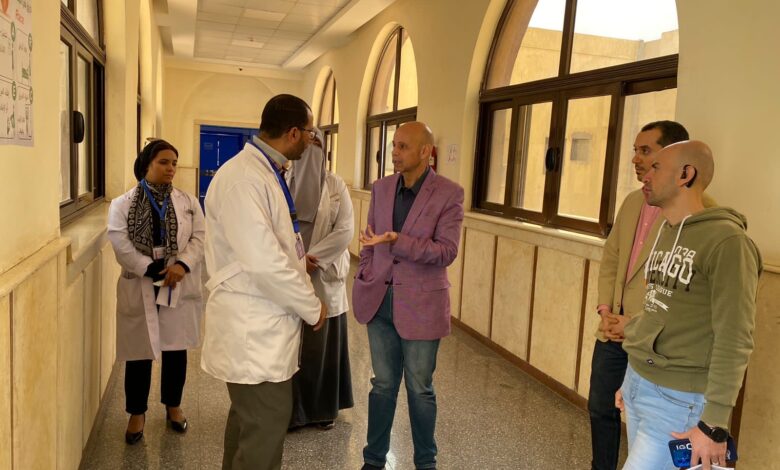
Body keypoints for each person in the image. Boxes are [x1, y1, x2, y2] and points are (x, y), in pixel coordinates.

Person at [200, 94, 327, 470]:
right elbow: (264, 263)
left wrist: (299, 268)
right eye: (310, 133)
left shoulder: (266, 171)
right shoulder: (245, 179)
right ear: (293, 133)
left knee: (249, 425)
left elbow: (272, 247)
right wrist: (311, 306)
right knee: (265, 428)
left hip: (261, 324)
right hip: (253, 329)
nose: (312, 140)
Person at [618, 140, 761, 470]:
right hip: (640, 384)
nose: (645, 174)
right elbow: (658, 308)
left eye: (656, 167)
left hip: (679, 402)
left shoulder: (729, 243)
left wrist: (714, 423)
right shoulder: (667, 231)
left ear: (686, 174)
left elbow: (735, 338)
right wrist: (633, 377)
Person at [352, 121, 464, 470]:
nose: (395, 153)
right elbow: (370, 240)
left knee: (419, 388)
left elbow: (446, 251)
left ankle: (425, 462)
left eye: (403, 147)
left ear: (425, 152)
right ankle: (373, 460)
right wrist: (366, 272)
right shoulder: (382, 188)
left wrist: (398, 241)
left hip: (422, 305)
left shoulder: (449, 193)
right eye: (394, 145)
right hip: (379, 301)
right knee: (382, 385)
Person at [589, 121, 697, 469]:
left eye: (645, 151)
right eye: (634, 150)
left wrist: (633, 322)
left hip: (652, 339)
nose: (636, 159)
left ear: (675, 159)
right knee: (600, 407)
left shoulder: (697, 216)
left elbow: (682, 294)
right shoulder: (632, 201)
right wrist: (606, 311)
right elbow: (612, 257)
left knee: (643, 420)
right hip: (611, 329)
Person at [107, 139, 205, 444]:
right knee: (139, 353)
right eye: (164, 162)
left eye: (174, 162)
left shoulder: (188, 202)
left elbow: (200, 238)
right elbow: (119, 241)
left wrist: (183, 265)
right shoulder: (122, 204)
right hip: (142, 282)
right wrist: (146, 267)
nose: (171, 168)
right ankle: (137, 413)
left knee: (176, 350)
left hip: (175, 282)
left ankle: (173, 406)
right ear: (147, 164)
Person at [287, 128, 355, 429]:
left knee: (322, 346)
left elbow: (345, 230)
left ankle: (322, 411)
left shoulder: (335, 184)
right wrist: (298, 261)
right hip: (291, 272)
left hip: (324, 274)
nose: (311, 150)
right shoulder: (282, 181)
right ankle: (293, 412)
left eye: (318, 145)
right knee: (293, 346)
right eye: (308, 143)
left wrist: (313, 258)